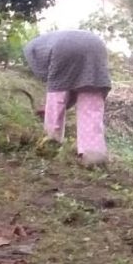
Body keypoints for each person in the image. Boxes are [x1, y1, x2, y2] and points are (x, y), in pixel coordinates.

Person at [23, 29, 111, 166]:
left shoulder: (32, 49)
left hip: (62, 49)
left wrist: (49, 107)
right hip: (97, 46)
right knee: (91, 102)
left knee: (56, 100)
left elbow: (57, 92)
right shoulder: (46, 42)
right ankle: (93, 155)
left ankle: (51, 143)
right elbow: (74, 89)